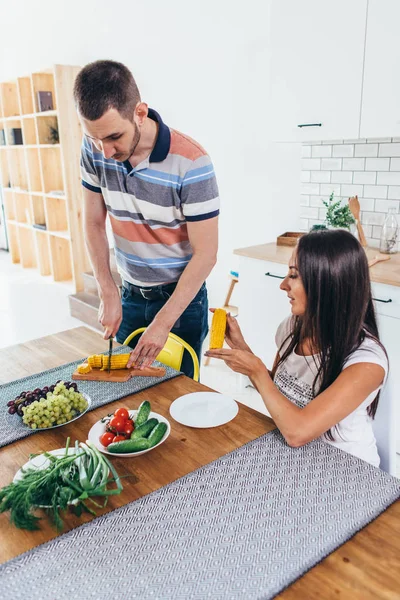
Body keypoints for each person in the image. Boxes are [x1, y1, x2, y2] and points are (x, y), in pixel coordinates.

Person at [73, 60, 219, 378]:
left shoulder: (192, 163)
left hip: (181, 302)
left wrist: (163, 322)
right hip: (129, 296)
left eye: (114, 137)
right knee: (125, 396)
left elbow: (206, 254)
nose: (105, 152)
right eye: (95, 139)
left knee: (175, 400)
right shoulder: (94, 147)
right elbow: (93, 222)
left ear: (140, 112)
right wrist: (107, 290)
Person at [206, 230, 388, 467]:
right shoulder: (293, 327)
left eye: (294, 275)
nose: (283, 285)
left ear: (327, 282)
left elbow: (297, 432)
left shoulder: (366, 363)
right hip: (297, 457)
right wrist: (244, 351)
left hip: (346, 469)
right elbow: (280, 392)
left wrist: (256, 371)